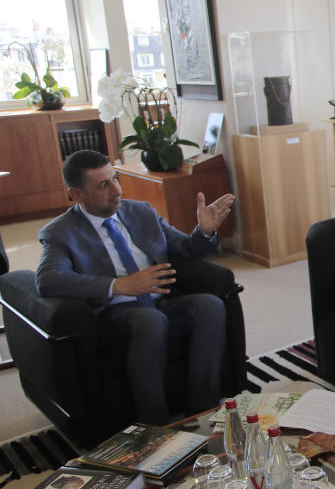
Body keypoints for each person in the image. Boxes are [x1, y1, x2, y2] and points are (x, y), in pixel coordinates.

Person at [36, 149, 235, 425]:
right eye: (103, 185)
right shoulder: (60, 232)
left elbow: (184, 248)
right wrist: (121, 286)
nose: (116, 189)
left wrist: (204, 231)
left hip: (161, 302)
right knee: (149, 320)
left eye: (114, 178)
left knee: (209, 306)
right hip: (116, 316)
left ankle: (203, 412)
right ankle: (155, 426)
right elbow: (48, 279)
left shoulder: (141, 211)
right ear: (76, 194)